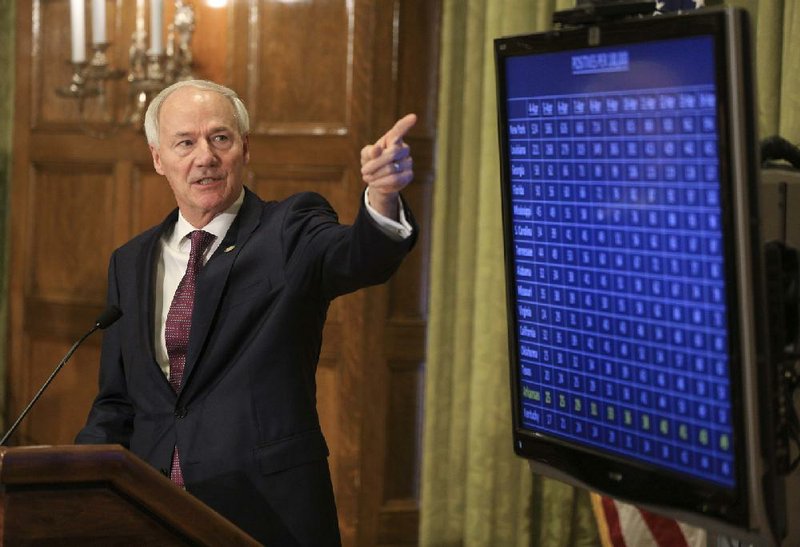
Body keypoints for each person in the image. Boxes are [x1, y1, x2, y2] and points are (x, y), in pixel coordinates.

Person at [75, 79, 418, 545]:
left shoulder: (288, 231)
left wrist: (382, 197)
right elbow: (116, 402)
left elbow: (359, 254)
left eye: (220, 138)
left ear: (244, 148)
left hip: (267, 512)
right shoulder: (130, 261)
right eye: (185, 142)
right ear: (158, 159)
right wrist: (75, 485)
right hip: (150, 507)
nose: (206, 157)